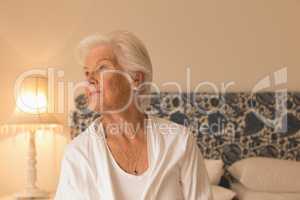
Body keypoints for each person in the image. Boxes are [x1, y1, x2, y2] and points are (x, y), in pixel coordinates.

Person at [55, 30, 213, 200]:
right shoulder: (78, 154)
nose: (89, 80)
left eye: (102, 68)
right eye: (87, 73)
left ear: (135, 79)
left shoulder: (179, 141)